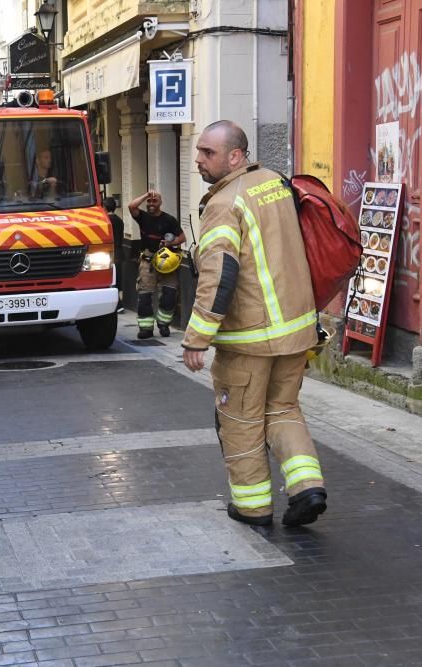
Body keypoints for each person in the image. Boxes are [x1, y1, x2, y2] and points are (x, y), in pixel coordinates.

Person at [182, 120, 327, 528]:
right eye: (198, 152)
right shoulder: (276, 184)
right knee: (283, 409)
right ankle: (307, 487)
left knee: (241, 423)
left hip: (250, 340)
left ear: (235, 156)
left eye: (208, 153)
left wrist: (196, 338)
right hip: (296, 331)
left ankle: (253, 507)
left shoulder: (225, 202)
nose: (198, 160)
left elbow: (219, 274)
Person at [128, 189, 185, 338]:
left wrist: (171, 242)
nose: (151, 203)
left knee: (169, 295)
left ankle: (163, 324)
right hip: (148, 262)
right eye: (149, 201)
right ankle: (146, 329)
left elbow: (182, 237)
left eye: (155, 201)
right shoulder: (143, 217)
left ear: (160, 203)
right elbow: (131, 207)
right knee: (145, 296)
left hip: (168, 262)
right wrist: (146, 195)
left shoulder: (169, 220)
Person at [104, 197, 126, 313]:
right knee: (118, 279)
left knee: (110, 279)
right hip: (119, 251)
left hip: (111, 253)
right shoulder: (119, 220)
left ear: (105, 207)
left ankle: (116, 305)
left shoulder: (106, 221)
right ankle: (120, 304)